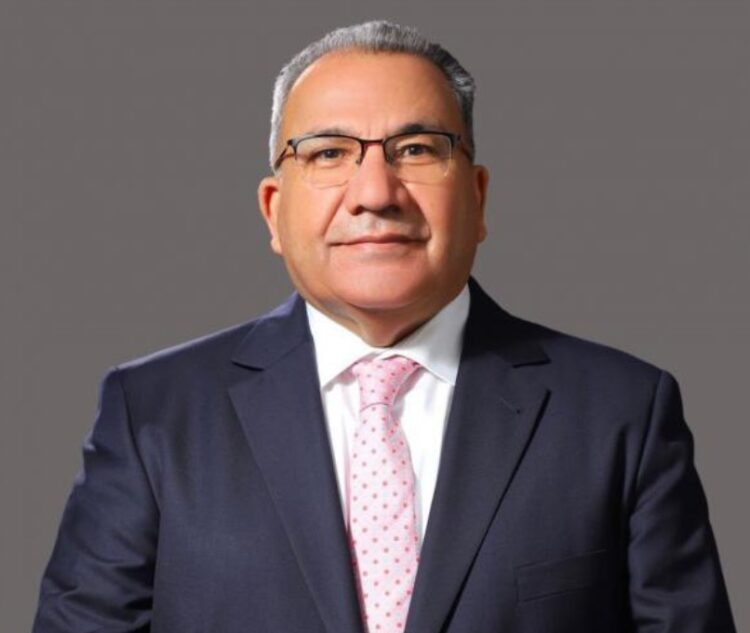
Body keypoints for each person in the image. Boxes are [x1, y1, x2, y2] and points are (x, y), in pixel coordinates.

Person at [33, 20, 736, 633]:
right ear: (273, 209)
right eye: (328, 153)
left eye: (417, 149)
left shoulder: (622, 413)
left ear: (478, 196)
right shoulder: (152, 413)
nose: (375, 193)